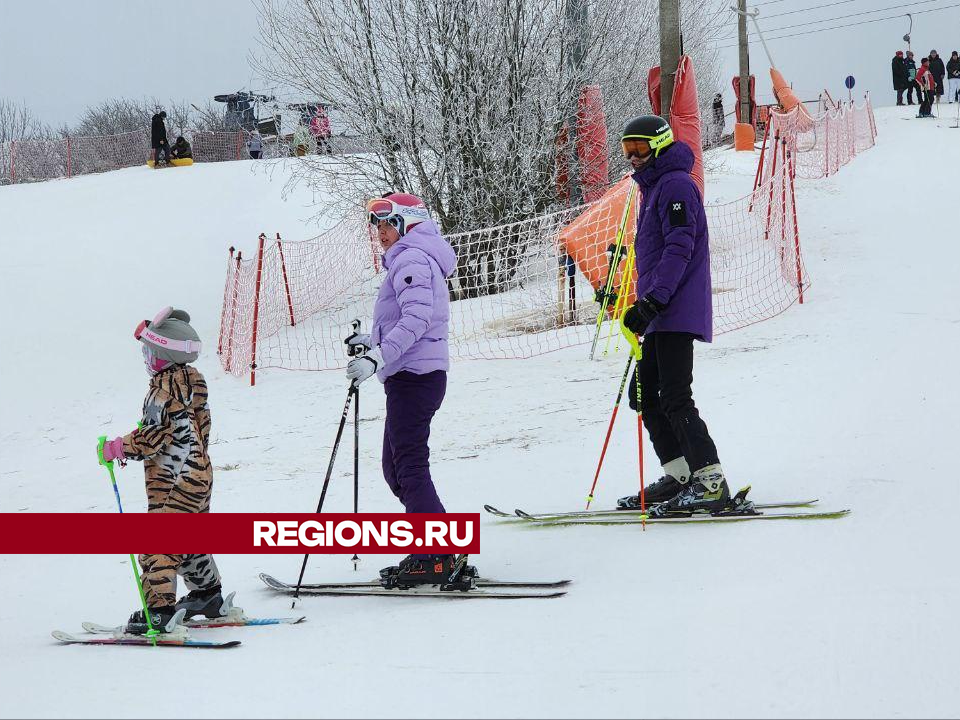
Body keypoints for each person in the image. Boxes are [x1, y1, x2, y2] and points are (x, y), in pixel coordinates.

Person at [344, 193, 461, 585]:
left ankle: (439, 552)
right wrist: (370, 342)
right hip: (410, 375)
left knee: (408, 465)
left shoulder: (411, 257)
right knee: (395, 468)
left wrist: (378, 358)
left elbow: (416, 319)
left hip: (416, 376)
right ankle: (432, 545)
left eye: (388, 222)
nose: (380, 232)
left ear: (408, 222)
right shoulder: (409, 257)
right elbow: (404, 317)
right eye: (376, 224)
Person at [615, 116, 729, 518]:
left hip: (676, 309)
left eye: (640, 149)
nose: (633, 157)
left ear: (660, 146)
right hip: (660, 312)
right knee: (644, 396)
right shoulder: (653, 188)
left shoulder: (676, 185)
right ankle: (681, 475)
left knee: (675, 396)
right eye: (627, 149)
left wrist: (654, 301)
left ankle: (711, 481)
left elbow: (679, 248)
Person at [99, 308, 226, 633]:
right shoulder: (195, 381)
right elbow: (203, 425)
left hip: (174, 479)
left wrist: (118, 448)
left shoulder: (161, 391)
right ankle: (207, 595)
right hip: (200, 473)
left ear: (163, 355)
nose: (146, 359)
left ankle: (159, 612)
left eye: (150, 353)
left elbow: (152, 437)